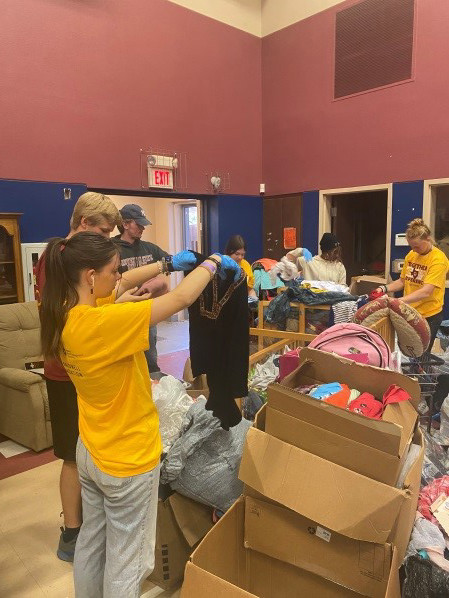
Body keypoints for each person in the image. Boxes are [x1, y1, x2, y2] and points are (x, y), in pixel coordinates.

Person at [39, 232, 240, 597]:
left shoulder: (68, 314)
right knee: (128, 562)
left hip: (92, 452)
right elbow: (181, 297)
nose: (119, 279)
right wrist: (212, 262)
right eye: (113, 272)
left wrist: (165, 264)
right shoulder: (106, 322)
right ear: (89, 276)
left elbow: (126, 283)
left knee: (92, 545)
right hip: (127, 460)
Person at [35, 191, 122, 561]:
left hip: (86, 369)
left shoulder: (78, 258)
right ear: (83, 224)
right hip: (64, 373)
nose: (106, 241)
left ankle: (90, 523)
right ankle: (72, 532)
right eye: (102, 232)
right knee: (72, 455)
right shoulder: (57, 257)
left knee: (90, 451)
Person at [375, 218, 449, 354]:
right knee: (406, 351)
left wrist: (397, 302)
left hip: (428, 315)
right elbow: (402, 281)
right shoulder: (412, 254)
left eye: (417, 246)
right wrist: (383, 288)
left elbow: (426, 292)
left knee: (421, 355)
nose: (413, 250)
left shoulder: (438, 260)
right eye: (411, 246)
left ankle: (420, 375)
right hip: (410, 311)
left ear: (428, 239)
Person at [114, 204, 169, 377]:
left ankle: (153, 380)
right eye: (139, 224)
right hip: (123, 313)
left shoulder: (149, 249)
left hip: (146, 312)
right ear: (125, 223)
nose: (143, 228)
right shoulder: (112, 249)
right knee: (127, 358)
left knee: (150, 355)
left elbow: (171, 262)